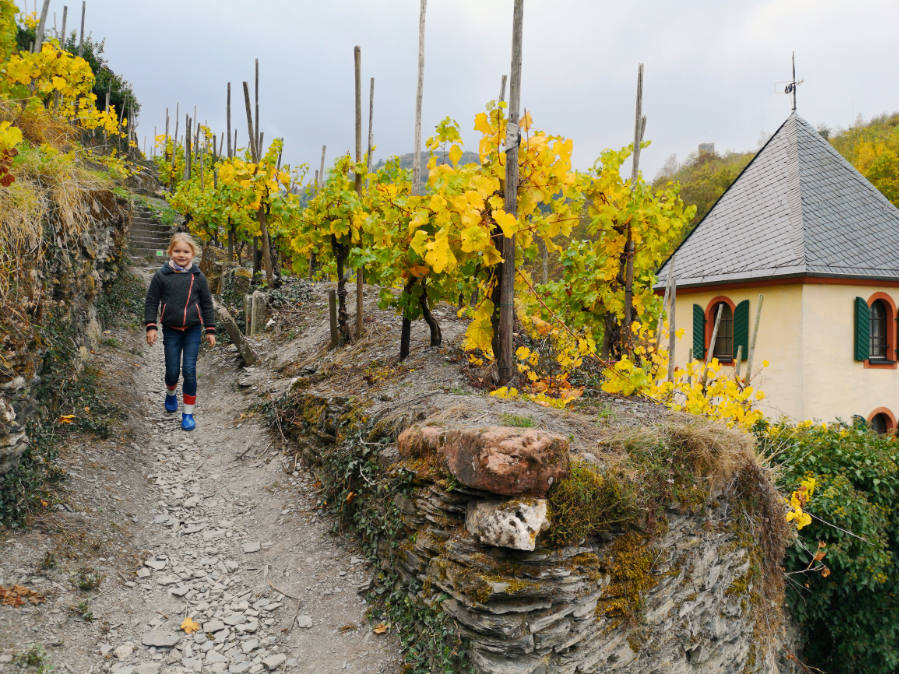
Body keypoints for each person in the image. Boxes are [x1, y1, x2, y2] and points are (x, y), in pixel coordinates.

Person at [143, 233, 216, 431]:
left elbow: (207, 304)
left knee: (190, 371)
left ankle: (188, 413)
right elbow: (152, 301)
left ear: (193, 253)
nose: (181, 255)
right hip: (171, 330)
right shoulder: (161, 276)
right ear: (170, 252)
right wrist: (151, 326)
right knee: (173, 372)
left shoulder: (198, 277)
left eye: (186, 251)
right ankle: (170, 392)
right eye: (177, 251)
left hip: (192, 329)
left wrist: (210, 330)